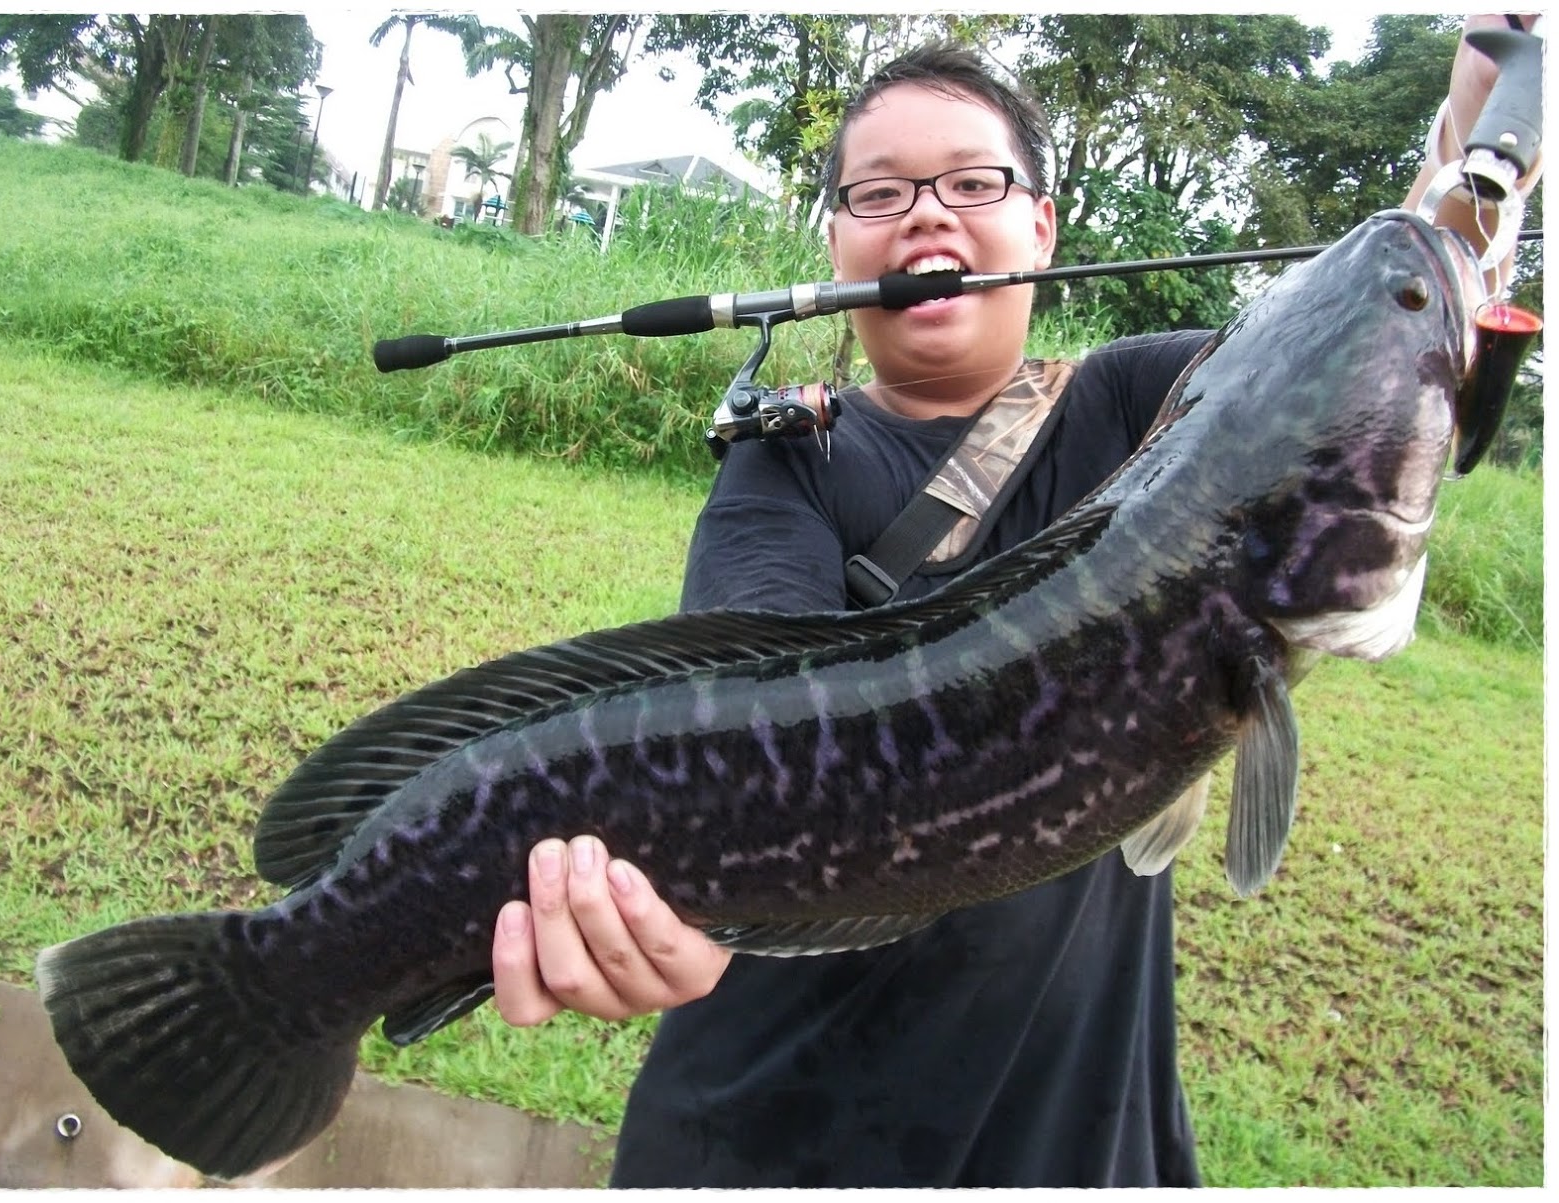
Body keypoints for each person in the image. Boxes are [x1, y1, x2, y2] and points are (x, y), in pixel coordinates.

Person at [487, 16, 1539, 1187]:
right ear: (835, 239)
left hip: (1078, 1136)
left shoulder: (1150, 403)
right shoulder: (791, 466)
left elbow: (1347, 364)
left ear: (1041, 224)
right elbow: (745, 736)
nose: (928, 212)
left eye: (974, 181)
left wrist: (1479, 135)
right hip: (770, 1139)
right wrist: (657, 921)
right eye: (878, 192)